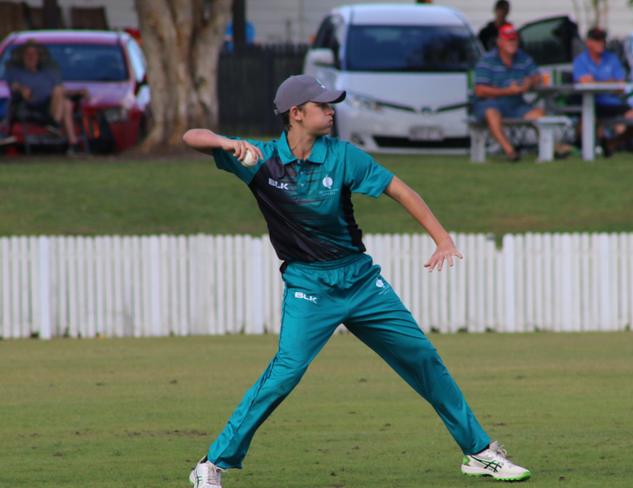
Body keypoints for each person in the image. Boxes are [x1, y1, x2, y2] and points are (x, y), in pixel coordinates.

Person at [182, 74, 531, 487]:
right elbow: (192, 136)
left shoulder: (344, 156)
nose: (332, 111)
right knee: (285, 374)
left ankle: (478, 452)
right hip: (309, 287)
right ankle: (211, 464)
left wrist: (442, 239)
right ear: (296, 114)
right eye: (323, 106)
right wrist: (225, 144)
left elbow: (401, 191)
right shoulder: (260, 158)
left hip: (363, 283)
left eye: (331, 105)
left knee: (423, 359)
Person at [473, 24, 552, 161]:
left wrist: (530, 81)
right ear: (500, 42)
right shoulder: (487, 60)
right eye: (509, 40)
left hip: (516, 104)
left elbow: (537, 77)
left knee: (539, 115)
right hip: (490, 103)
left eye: (514, 40)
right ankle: (510, 151)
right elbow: (480, 91)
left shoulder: (523, 58)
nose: (512, 43)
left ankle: (549, 151)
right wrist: (507, 91)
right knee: (491, 113)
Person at [573, 27, 633, 156]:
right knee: (586, 121)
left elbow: (620, 85)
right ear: (588, 42)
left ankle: (612, 143)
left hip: (613, 102)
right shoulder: (581, 61)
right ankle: (586, 150)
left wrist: (598, 81)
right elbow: (585, 82)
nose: (600, 43)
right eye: (596, 40)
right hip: (594, 103)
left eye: (602, 40)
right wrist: (610, 82)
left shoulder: (611, 59)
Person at [4, 40, 79, 150]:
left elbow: (62, 90)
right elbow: (13, 85)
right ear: (22, 56)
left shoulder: (47, 72)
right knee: (64, 102)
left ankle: (68, 139)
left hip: (50, 105)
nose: (31, 57)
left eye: (34, 54)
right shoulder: (16, 72)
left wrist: (79, 92)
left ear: (39, 56)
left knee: (66, 102)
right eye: (28, 54)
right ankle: (62, 132)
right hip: (30, 105)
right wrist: (21, 89)